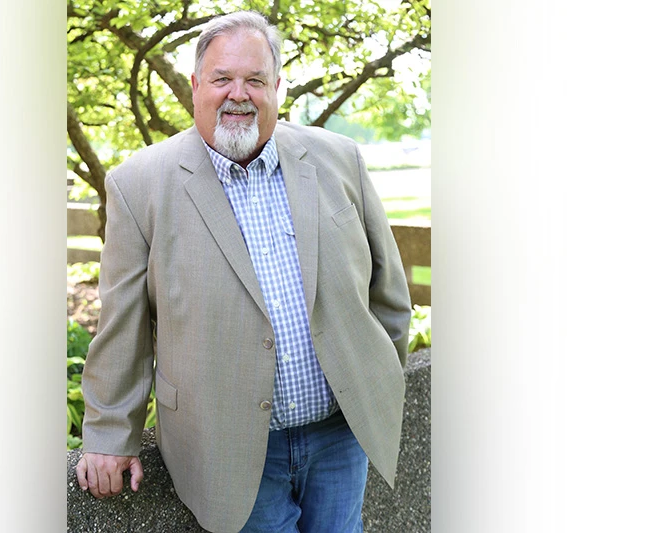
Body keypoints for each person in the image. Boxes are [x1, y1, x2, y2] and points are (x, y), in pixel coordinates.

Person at [75, 10, 412, 533]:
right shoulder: (138, 185)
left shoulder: (340, 159)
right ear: (194, 87)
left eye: (255, 79)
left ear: (277, 87)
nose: (239, 94)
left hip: (341, 437)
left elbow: (388, 289)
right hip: (227, 448)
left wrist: (377, 378)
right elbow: (124, 327)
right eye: (222, 79)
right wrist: (107, 435)